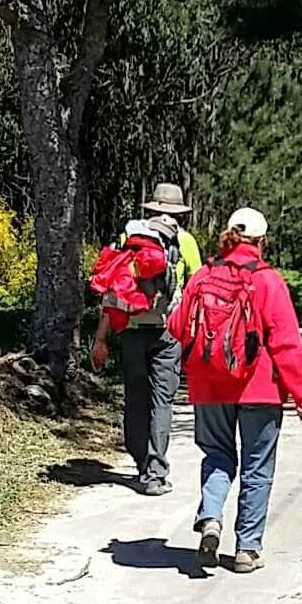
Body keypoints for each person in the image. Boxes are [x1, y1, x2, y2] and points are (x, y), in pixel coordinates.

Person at [167, 207, 302, 573]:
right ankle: (247, 549)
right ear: (261, 242)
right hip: (260, 389)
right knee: (257, 466)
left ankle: (212, 518)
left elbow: (176, 326)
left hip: (209, 388)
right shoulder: (268, 281)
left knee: (217, 456)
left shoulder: (203, 275)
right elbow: (285, 342)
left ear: (228, 236)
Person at [89, 182, 201, 496]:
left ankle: (141, 463)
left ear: (151, 209)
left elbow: (112, 292)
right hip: (168, 331)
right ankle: (155, 474)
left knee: (135, 398)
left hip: (131, 328)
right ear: (179, 212)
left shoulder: (128, 237)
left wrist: (101, 338)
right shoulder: (185, 241)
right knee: (161, 401)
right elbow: (197, 287)